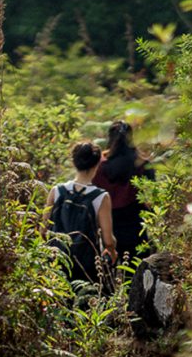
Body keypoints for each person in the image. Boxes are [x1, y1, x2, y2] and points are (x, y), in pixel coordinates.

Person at [45, 141, 117, 286]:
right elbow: (108, 240)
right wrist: (113, 250)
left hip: (57, 260)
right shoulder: (101, 197)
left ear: (74, 162)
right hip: (86, 264)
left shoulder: (56, 191)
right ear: (97, 165)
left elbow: (43, 229)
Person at [94, 120, 153, 264]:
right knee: (136, 265)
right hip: (135, 220)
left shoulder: (100, 166)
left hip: (108, 221)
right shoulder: (142, 163)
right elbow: (150, 196)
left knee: (109, 264)